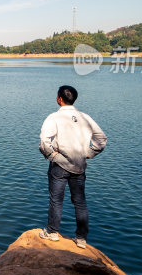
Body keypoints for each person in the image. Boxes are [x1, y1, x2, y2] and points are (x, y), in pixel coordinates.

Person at [38, 85, 107, 249]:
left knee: (56, 200)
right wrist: (88, 153)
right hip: (79, 166)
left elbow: (43, 142)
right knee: (80, 202)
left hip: (59, 166)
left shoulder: (54, 117)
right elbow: (101, 139)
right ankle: (81, 239)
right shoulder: (84, 117)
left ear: (59, 99)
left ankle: (52, 232)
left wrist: (52, 155)